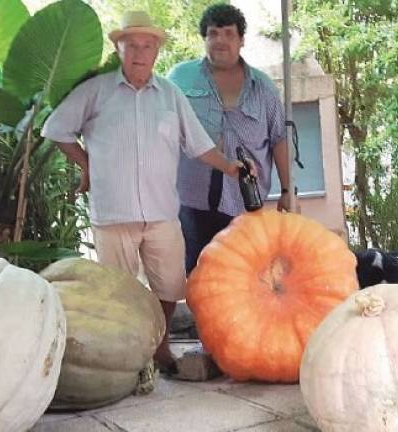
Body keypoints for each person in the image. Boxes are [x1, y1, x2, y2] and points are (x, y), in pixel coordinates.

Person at [40, 10, 251, 372]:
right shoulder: (95, 92)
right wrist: (88, 164)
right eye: (132, 45)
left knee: (169, 286)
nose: (140, 52)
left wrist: (231, 167)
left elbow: (198, 145)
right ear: (119, 48)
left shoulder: (170, 95)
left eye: (147, 45)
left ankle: (160, 347)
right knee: (118, 293)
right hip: (113, 213)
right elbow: (56, 128)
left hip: (161, 213)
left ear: (156, 52)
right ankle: (127, 357)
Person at [168, 3, 292, 275]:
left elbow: (280, 139)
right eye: (213, 33)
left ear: (241, 40)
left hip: (246, 202)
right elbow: (162, 132)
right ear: (204, 39)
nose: (220, 41)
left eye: (228, 34)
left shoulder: (263, 88)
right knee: (197, 273)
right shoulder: (179, 79)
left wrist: (287, 191)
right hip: (191, 200)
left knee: (244, 275)